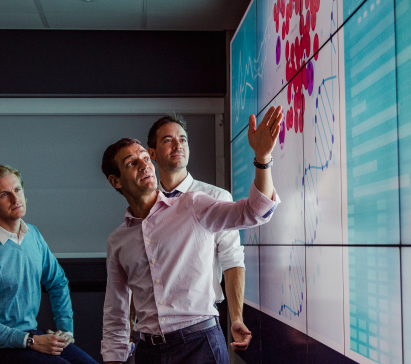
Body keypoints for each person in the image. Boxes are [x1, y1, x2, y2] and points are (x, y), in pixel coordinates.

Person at [100, 106, 283, 364]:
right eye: (132, 163)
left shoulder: (194, 204)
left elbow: (255, 211)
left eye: (144, 158)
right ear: (115, 181)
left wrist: (263, 158)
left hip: (200, 345)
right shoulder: (118, 240)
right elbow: (116, 312)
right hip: (148, 351)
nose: (144, 165)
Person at [0, 165, 98, 364]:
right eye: (4, 195)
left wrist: (65, 330)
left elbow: (58, 282)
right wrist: (30, 341)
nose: (15, 199)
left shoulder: (33, 235)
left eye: (17, 190)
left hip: (32, 336)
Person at [145, 114, 251, 351]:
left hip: (200, 335)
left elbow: (232, 260)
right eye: (168, 140)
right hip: (152, 337)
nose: (178, 145)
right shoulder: (146, 206)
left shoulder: (216, 198)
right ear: (152, 153)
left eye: (183, 139)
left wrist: (236, 318)